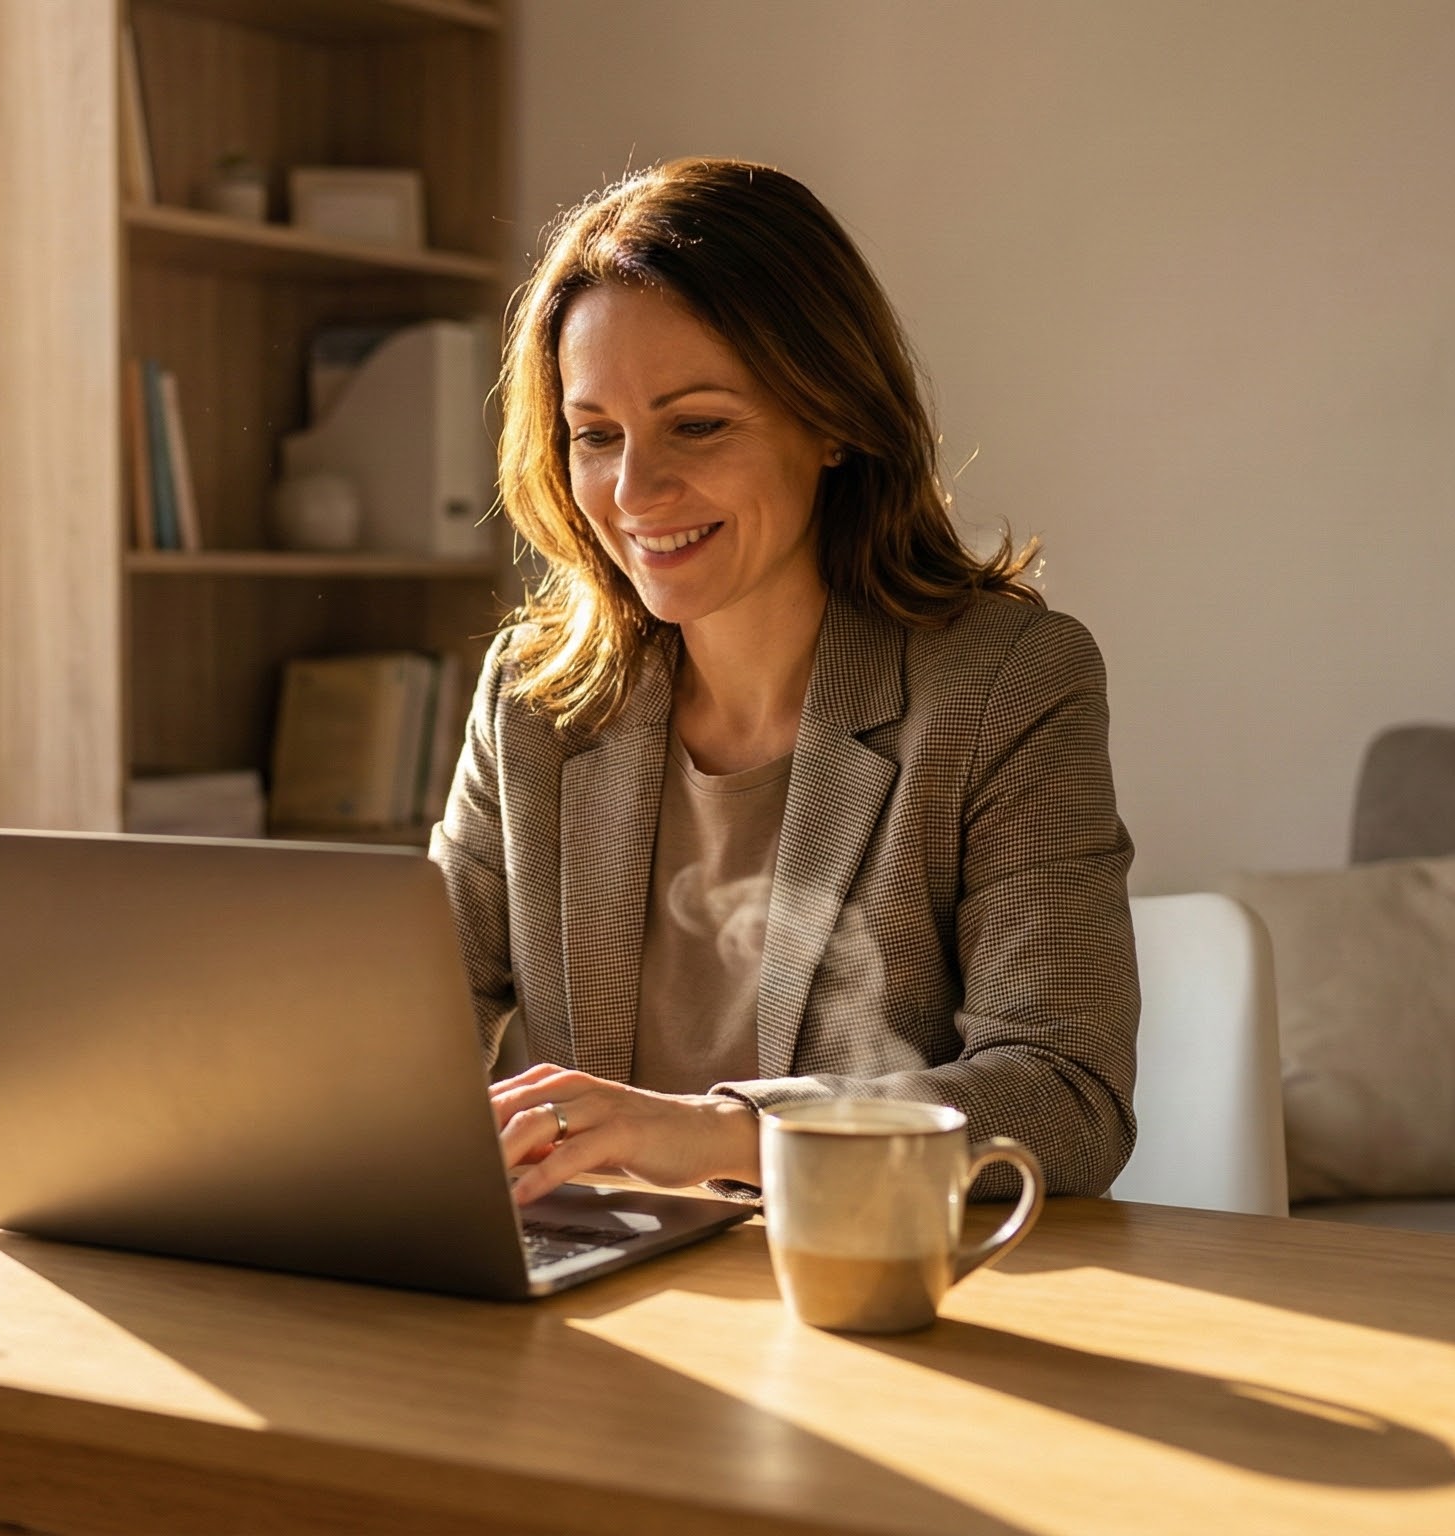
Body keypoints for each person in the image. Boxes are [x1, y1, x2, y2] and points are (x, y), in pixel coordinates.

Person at [429, 158, 1138, 1204]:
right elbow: (407, 1025)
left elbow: (1064, 1100)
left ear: (832, 419)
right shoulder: (535, 699)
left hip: (869, 1302)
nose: (633, 490)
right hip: (591, 1290)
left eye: (698, 424)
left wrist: (716, 1133)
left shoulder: (1008, 683)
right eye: (595, 436)